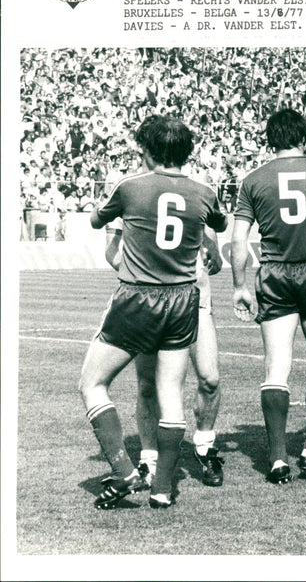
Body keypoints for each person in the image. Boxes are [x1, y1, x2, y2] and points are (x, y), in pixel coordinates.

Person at [79, 114, 227, 509]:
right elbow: (219, 222)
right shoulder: (204, 191)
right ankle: (163, 488)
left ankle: (124, 469)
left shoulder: (130, 186)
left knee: (92, 384)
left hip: (137, 297)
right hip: (183, 299)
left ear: (146, 149)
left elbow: (96, 220)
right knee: (170, 392)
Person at [231, 108, 306, 485]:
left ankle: (278, 461)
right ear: (305, 136)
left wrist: (240, 285)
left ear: (271, 139)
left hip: (274, 273)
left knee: (276, 367)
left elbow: (238, 241)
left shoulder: (253, 179)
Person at [104, 220, 226, 488]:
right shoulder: (129, 192)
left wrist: (212, 253)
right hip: (151, 302)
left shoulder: (196, 192)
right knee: (148, 384)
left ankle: (205, 447)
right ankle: (149, 458)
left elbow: (213, 250)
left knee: (210, 378)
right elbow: (112, 253)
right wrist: (147, 275)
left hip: (196, 299)